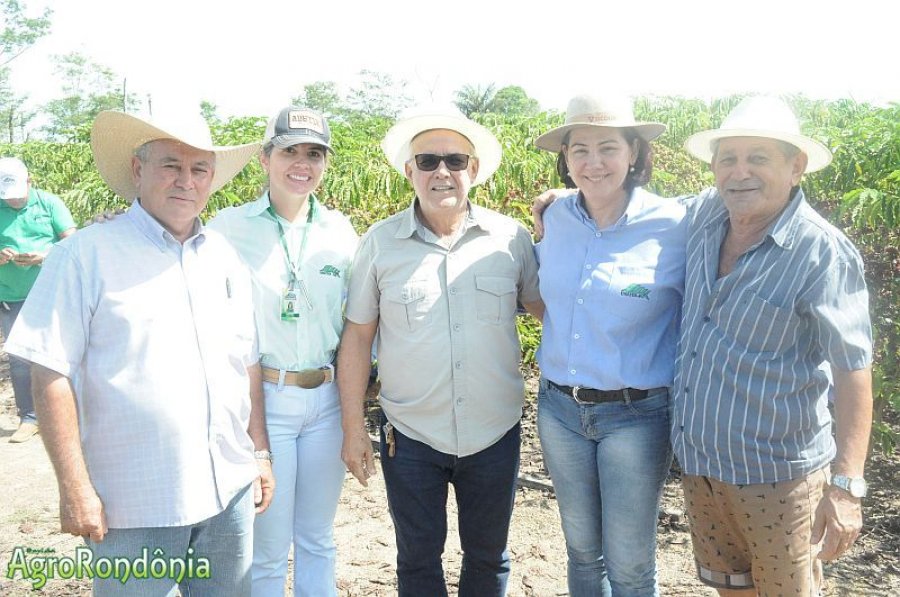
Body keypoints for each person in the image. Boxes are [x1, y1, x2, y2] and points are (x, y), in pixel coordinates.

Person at [4, 110, 274, 596]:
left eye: (199, 169)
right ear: (137, 170)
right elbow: (50, 370)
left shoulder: (224, 257)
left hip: (228, 490)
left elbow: (245, 362)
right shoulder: (86, 254)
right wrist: (75, 487)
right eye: (171, 165)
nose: (185, 182)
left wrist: (258, 452)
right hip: (132, 500)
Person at [337, 104, 543, 597]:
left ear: (473, 170)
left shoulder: (511, 240)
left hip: (495, 431)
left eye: (454, 160)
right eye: (427, 161)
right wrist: (352, 429)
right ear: (409, 172)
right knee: (416, 561)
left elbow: (549, 314)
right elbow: (357, 340)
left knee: (489, 559)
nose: (441, 172)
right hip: (409, 435)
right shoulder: (380, 243)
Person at [673, 96, 873, 596]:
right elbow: (632, 214)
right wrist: (563, 200)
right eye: (728, 159)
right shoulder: (703, 218)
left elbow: (854, 370)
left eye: (758, 158)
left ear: (795, 166)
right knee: (730, 589)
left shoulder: (820, 252)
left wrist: (847, 487)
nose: (740, 173)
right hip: (702, 471)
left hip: (778, 481)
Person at [532, 94, 686, 596]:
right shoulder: (555, 219)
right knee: (580, 551)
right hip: (559, 410)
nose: (593, 162)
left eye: (608, 148)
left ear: (634, 153)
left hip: (636, 416)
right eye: (580, 150)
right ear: (566, 158)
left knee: (629, 562)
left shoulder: (675, 226)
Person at [207, 106, 358, 597]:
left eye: (314, 153)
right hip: (264, 400)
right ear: (265, 158)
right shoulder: (228, 228)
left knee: (317, 537)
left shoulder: (342, 231)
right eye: (290, 150)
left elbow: (358, 321)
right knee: (268, 547)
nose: (302, 163)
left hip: (326, 401)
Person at [0, 157, 76, 443]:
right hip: (10, 294)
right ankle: (29, 418)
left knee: (60, 352)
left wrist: (44, 256)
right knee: (19, 358)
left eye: (18, 194)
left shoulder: (49, 204)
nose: (13, 201)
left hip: (51, 291)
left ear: (29, 182)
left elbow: (71, 239)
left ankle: (67, 413)